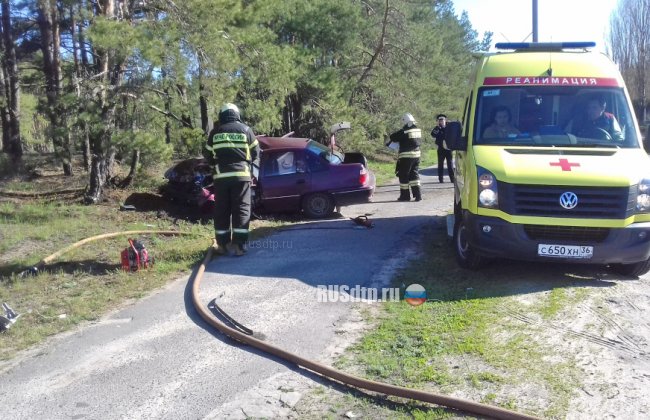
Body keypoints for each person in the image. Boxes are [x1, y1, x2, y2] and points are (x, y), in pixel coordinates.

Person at [203, 103, 259, 256]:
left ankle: (222, 245)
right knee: (241, 209)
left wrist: (214, 164)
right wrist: (249, 166)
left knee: (222, 210)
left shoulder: (215, 132)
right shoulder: (246, 130)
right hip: (242, 176)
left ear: (222, 115)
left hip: (221, 178)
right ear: (237, 114)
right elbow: (256, 151)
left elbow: (206, 153)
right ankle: (240, 246)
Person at [386, 113, 423, 201]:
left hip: (406, 156)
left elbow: (393, 137)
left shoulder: (405, 131)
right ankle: (418, 195)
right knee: (414, 174)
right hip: (417, 155)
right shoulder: (418, 130)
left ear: (405, 121)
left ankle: (405, 196)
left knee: (403, 175)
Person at [431, 114, 455, 184]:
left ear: (445, 120)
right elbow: (432, 134)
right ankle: (441, 179)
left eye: (442, 120)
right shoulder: (437, 128)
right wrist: (438, 128)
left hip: (448, 148)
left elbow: (453, 135)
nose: (441, 121)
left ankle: (452, 179)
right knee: (440, 164)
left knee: (450, 164)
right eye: (439, 120)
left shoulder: (449, 127)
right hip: (441, 149)